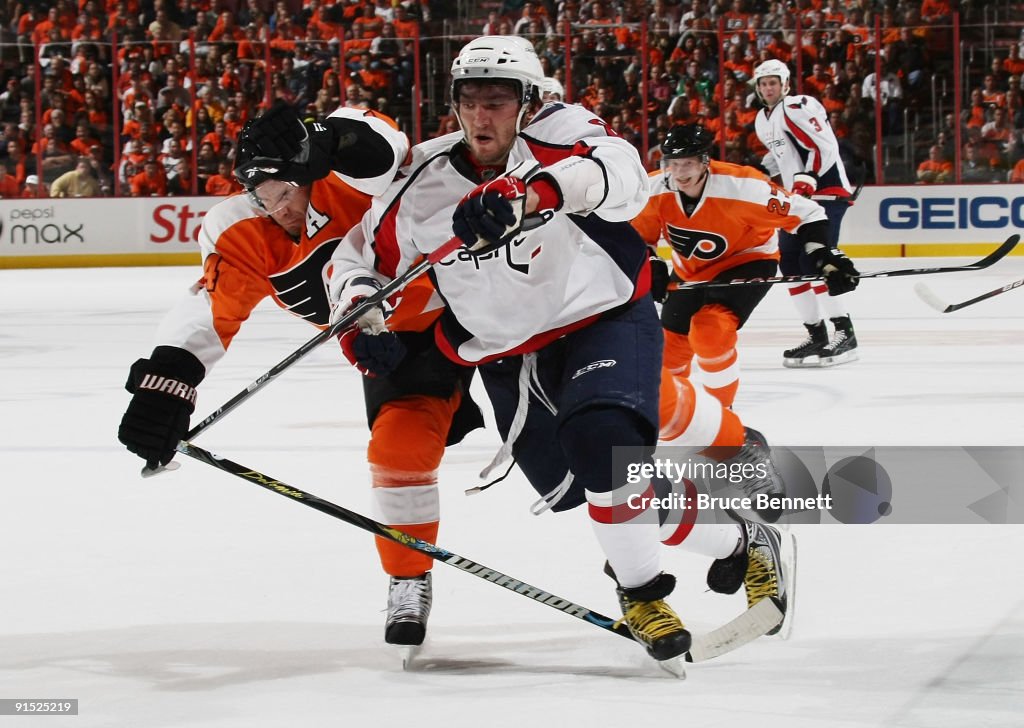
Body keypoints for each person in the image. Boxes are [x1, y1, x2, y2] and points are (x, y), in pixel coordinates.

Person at [328, 36, 789, 664]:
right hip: (509, 353)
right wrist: (364, 317)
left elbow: (621, 174)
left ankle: (642, 592)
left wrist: (532, 195)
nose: (481, 115)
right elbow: (359, 263)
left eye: (498, 100)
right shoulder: (422, 181)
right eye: (470, 100)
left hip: (601, 315)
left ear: (527, 102)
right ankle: (739, 539)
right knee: (587, 490)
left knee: (605, 447)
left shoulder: (558, 134)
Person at [116, 103, 469, 653]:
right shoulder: (239, 229)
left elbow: (389, 149)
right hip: (404, 342)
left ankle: (645, 570)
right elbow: (212, 311)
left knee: (614, 425)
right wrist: (167, 385)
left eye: (285, 189)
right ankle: (408, 577)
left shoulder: (345, 180)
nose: (276, 206)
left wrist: (327, 135)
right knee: (397, 454)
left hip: (502, 305)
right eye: (262, 193)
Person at [631, 123, 841, 522]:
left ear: (705, 162)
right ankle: (685, 425)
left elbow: (807, 213)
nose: (680, 172)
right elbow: (639, 236)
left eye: (688, 164)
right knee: (664, 359)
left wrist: (823, 256)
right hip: (691, 273)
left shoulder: (745, 188)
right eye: (673, 163)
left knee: (710, 331)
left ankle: (723, 427)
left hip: (748, 262)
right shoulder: (656, 189)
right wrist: (652, 262)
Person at [752, 59, 861, 367]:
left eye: (773, 82)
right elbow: (781, 156)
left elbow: (823, 146)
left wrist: (807, 180)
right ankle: (817, 335)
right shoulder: (763, 118)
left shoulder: (798, 106)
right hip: (796, 201)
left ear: (785, 84)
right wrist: (758, 174)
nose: (768, 88)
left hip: (824, 194)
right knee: (789, 263)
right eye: (763, 84)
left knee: (817, 261)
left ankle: (845, 333)